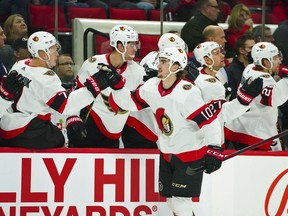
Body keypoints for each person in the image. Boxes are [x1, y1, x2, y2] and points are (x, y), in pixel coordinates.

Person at [100, 46, 224, 215]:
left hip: (189, 154)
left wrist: (214, 147)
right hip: (166, 153)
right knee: (172, 202)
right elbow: (130, 102)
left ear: (175, 66)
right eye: (160, 61)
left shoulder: (187, 93)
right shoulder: (151, 87)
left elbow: (209, 121)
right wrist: (117, 86)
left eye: (164, 62)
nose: (159, 65)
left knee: (181, 204)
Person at [0, 31, 110, 149]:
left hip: (7, 124)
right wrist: (93, 87)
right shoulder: (46, 77)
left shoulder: (20, 64)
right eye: (53, 50)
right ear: (43, 54)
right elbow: (66, 106)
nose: (57, 54)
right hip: (31, 130)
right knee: (60, 140)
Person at [69, 24, 145, 148]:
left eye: (136, 44)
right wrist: (72, 118)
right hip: (90, 124)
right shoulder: (92, 64)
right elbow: (75, 92)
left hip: (115, 130)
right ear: (120, 46)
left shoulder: (139, 72)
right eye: (132, 44)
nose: (136, 48)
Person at [193, 41, 263, 149]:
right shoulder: (210, 84)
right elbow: (222, 114)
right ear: (207, 60)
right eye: (216, 53)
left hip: (200, 138)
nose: (222, 55)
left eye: (221, 52)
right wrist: (244, 99)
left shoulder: (203, 74)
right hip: (208, 141)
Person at [225, 42, 288, 151]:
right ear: (265, 62)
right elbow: (275, 98)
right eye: (276, 57)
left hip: (242, 126)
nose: (279, 60)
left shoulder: (250, 68)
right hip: (254, 134)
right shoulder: (263, 80)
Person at [226, 33, 255, 100]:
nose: (254, 51)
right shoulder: (231, 71)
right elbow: (233, 96)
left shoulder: (257, 67)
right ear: (241, 50)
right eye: (251, 48)